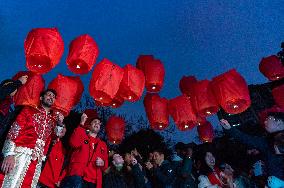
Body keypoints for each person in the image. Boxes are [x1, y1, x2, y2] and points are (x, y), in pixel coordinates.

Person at [0, 89, 63, 188]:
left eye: (53, 97)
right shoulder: (29, 110)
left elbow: (56, 136)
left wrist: (59, 123)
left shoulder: (53, 120)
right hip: (19, 156)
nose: (51, 97)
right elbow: (14, 130)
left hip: (36, 162)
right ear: (41, 98)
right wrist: (9, 154)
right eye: (48, 95)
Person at [220, 118, 284, 183]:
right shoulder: (267, 142)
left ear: (279, 121)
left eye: (269, 118)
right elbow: (247, 139)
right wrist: (230, 129)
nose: (265, 122)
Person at [60, 109, 108, 188]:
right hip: (77, 176)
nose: (97, 124)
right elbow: (73, 143)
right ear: (89, 125)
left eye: (99, 123)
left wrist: (103, 163)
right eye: (95, 122)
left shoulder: (103, 145)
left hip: (94, 182)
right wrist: (81, 124)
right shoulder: (82, 135)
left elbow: (105, 164)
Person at [37, 123, 67, 188]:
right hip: (39, 180)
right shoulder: (48, 140)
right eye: (60, 126)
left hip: (52, 184)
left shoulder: (64, 149)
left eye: (64, 127)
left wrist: (60, 179)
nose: (62, 129)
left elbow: (65, 167)